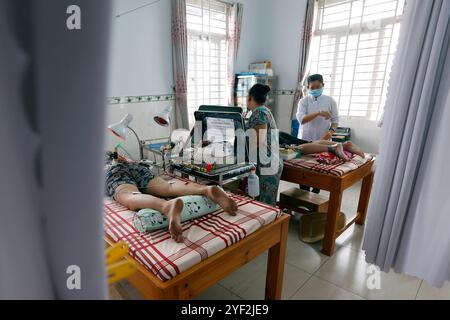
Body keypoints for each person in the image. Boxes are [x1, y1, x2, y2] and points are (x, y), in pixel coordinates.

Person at [105, 155, 238, 243]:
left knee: (129, 195)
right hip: (134, 166)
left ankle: (166, 206)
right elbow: (123, 159)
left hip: (112, 172)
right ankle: (206, 190)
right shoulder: (110, 153)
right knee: (167, 187)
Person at [296, 74, 340, 193]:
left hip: (323, 140)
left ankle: (315, 196)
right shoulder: (303, 101)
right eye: (312, 87)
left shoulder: (330, 101)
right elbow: (302, 120)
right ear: (308, 87)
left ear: (323, 85)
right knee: (304, 171)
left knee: (320, 171)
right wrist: (319, 113)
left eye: (318, 86)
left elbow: (335, 121)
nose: (315, 89)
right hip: (305, 140)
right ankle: (304, 195)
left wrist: (330, 132)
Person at [245, 84, 283, 206]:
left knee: (265, 205)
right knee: (262, 202)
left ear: (250, 98)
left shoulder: (259, 113)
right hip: (268, 163)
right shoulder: (264, 111)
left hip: (267, 165)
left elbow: (257, 140)